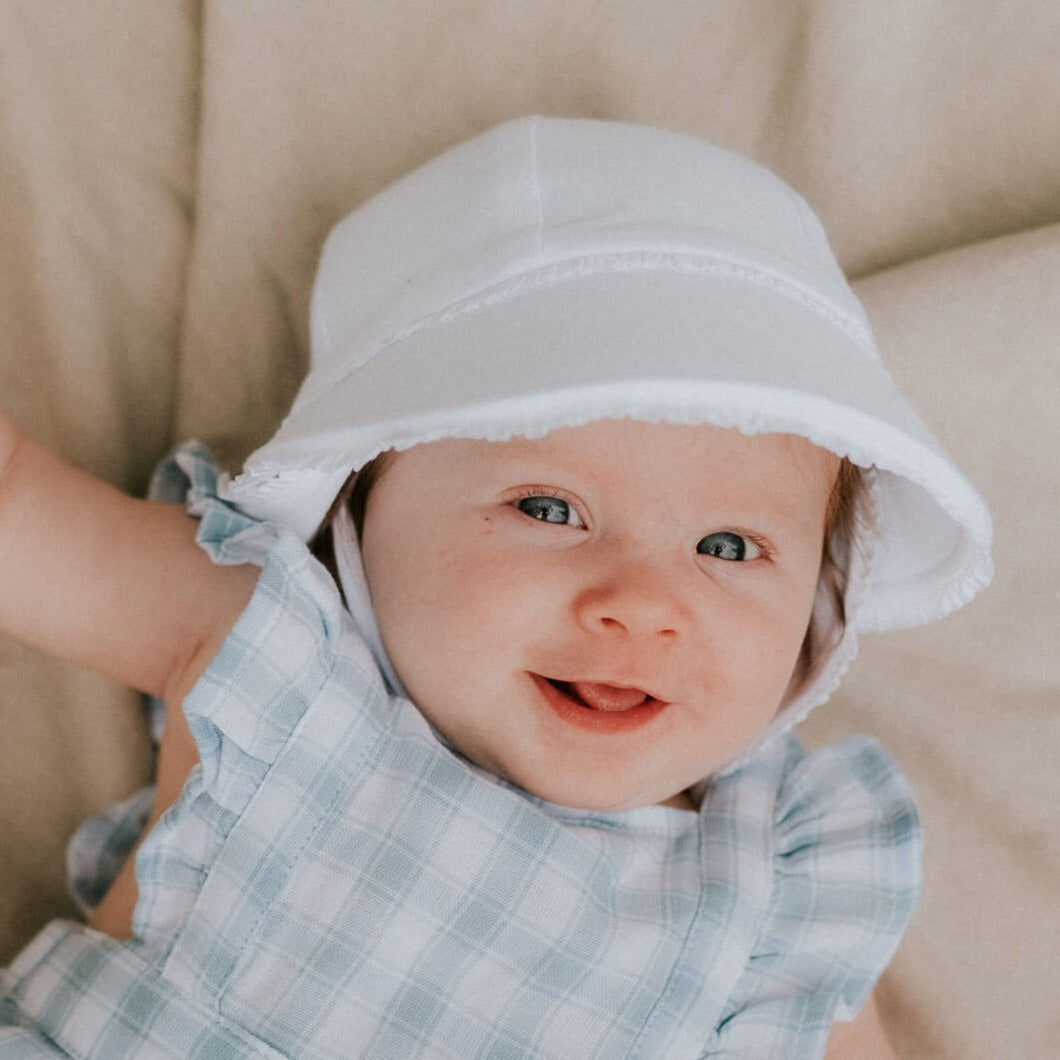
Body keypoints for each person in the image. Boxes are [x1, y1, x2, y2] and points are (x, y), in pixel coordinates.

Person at [0, 117, 992, 1058]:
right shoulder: (273, 652)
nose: (642, 603)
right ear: (358, 501)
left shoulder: (780, 884)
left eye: (729, 545)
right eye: (550, 510)